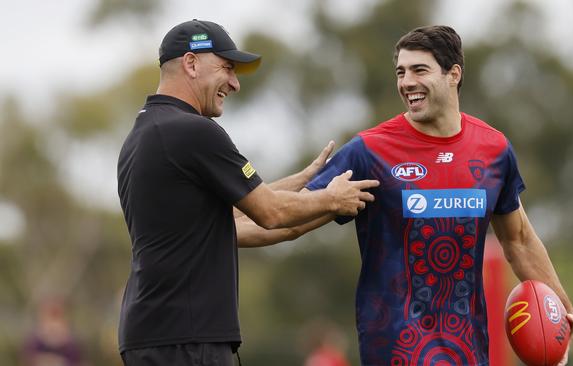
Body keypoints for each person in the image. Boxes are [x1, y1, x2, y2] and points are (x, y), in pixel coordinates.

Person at [236, 26, 573, 365]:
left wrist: (561, 308)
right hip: (396, 351)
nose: (406, 82)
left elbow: (518, 240)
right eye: (401, 72)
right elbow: (289, 221)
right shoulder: (370, 152)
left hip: (468, 352)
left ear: (453, 74)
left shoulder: (494, 150)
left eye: (419, 70)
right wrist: (207, 233)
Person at [116, 19, 379, 366]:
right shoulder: (193, 132)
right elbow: (272, 213)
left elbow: (238, 219)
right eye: (227, 68)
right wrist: (333, 198)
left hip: (158, 334)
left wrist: (305, 180)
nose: (235, 83)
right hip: (186, 340)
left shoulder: (146, 131)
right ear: (191, 64)